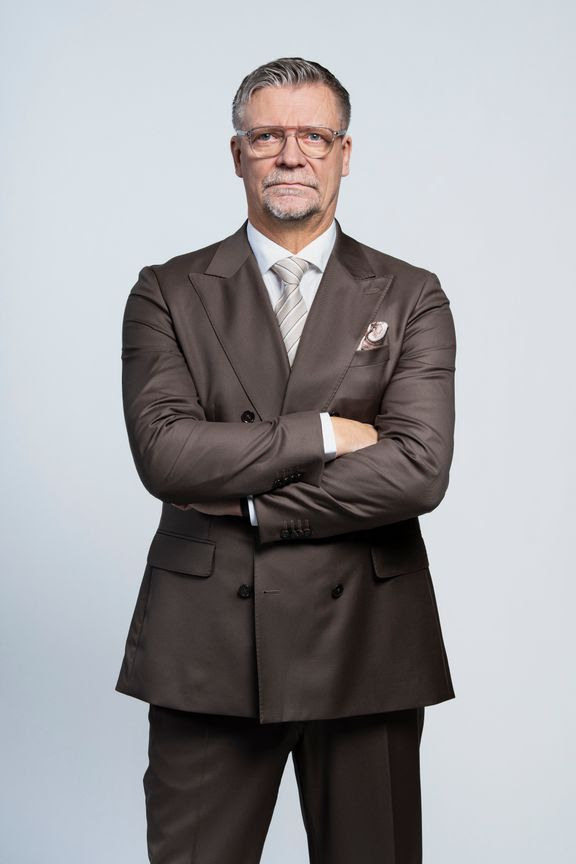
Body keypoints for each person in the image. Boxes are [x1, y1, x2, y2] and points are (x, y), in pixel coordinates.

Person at [115, 56, 457, 864]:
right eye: (268, 136)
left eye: (314, 136)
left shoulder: (410, 294)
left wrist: (252, 504)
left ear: (345, 152)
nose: (291, 155)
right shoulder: (167, 291)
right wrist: (324, 433)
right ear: (238, 154)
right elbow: (166, 453)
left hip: (365, 640)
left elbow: (418, 467)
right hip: (208, 644)